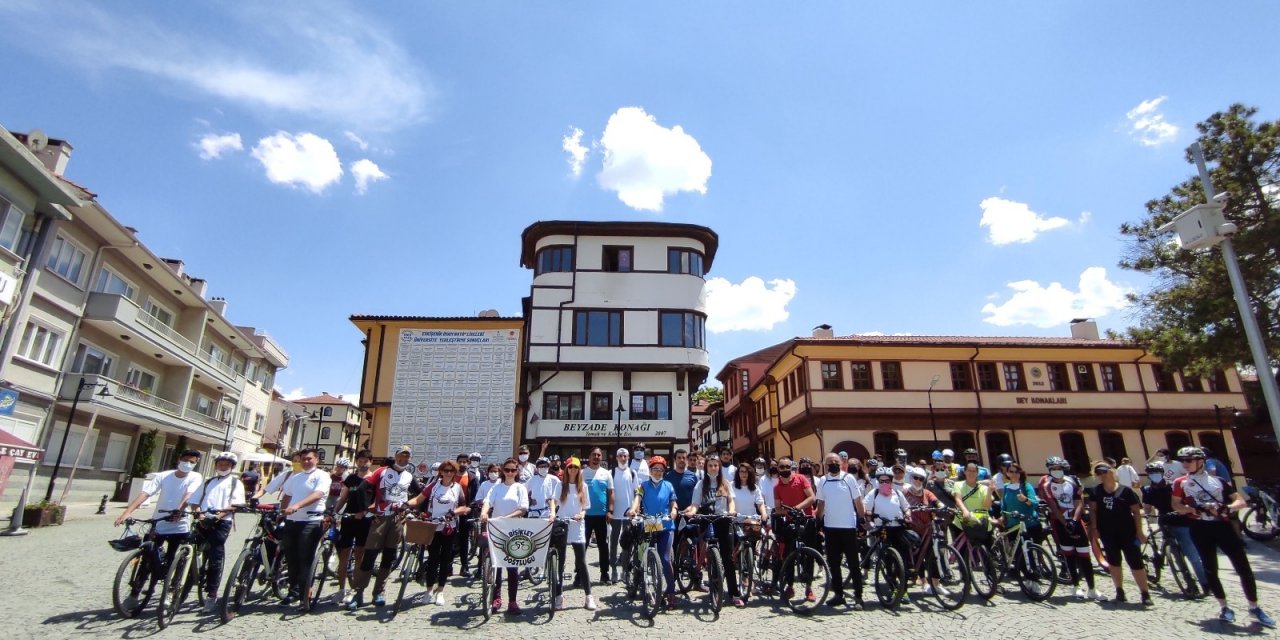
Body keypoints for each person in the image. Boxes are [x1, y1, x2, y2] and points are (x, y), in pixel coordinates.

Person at [1173, 446, 1274, 627]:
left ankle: (1254, 606)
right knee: (1210, 567)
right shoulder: (1180, 482)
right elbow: (1177, 506)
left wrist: (1227, 508)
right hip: (1200, 527)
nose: (1185, 464)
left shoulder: (1217, 481)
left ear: (1200, 461)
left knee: (1243, 567)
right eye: (1183, 461)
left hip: (1222, 526)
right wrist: (1194, 509)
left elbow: (1240, 501)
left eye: (1188, 461)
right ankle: (1224, 606)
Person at [114, 449, 204, 611]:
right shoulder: (164, 475)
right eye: (186, 460)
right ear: (179, 459)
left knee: (173, 560)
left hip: (179, 525)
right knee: (146, 559)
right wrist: (127, 512)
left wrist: (178, 510)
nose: (188, 464)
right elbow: (145, 493)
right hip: (159, 523)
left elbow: (189, 495)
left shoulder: (195, 477)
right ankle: (135, 594)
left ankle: (171, 591)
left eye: (192, 462)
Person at [349, 445, 422, 610]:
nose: (403, 459)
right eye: (401, 456)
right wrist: (366, 509)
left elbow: (420, 494)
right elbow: (362, 488)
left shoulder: (409, 476)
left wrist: (415, 509)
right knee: (369, 555)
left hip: (397, 520)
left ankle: (379, 592)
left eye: (407, 457)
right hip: (380, 518)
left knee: (389, 557)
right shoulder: (381, 471)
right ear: (395, 456)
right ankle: (358, 592)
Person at [1087, 461, 1151, 605]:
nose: (1102, 475)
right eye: (1098, 473)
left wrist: (1140, 531)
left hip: (1128, 531)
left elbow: (1136, 511)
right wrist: (1094, 529)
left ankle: (1145, 593)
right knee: (1114, 562)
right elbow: (1093, 511)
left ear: (1112, 471)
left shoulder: (1126, 491)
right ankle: (1119, 590)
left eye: (1104, 471)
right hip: (1107, 532)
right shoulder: (1096, 491)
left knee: (1135, 562)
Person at [190, 452, 246, 613]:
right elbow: (195, 501)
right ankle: (182, 587)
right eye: (220, 464)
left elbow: (235, 505)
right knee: (192, 555)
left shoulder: (236, 483)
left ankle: (212, 593)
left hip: (221, 522)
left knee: (215, 557)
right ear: (216, 465)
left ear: (232, 467)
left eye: (226, 464)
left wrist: (217, 517)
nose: (223, 466)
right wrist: (199, 514)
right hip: (202, 520)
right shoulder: (208, 482)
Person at [1142, 460, 1207, 595]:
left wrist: (1185, 510)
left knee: (1192, 555)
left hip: (1181, 520)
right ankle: (1189, 582)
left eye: (1157, 473)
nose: (1155, 475)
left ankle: (1206, 584)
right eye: (1152, 473)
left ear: (1162, 473)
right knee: (1176, 555)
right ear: (1148, 475)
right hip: (1165, 521)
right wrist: (1145, 515)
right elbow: (1147, 508)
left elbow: (1183, 502)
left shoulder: (1173, 486)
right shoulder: (1148, 490)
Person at [1039, 456, 1099, 600]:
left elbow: (1079, 502)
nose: (1056, 471)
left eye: (1059, 468)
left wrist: (1074, 520)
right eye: (1053, 469)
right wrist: (1065, 523)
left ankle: (1092, 588)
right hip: (1059, 522)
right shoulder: (1047, 485)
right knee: (1069, 554)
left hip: (1075, 520)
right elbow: (1053, 506)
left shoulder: (1073, 481)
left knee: (1085, 554)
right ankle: (1076, 586)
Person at [688, 457, 742, 607]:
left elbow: (731, 500)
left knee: (728, 558)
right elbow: (695, 503)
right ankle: (710, 578)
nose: (713, 468)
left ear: (719, 468)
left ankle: (734, 593)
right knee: (706, 551)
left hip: (723, 519)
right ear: (706, 468)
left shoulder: (725, 483)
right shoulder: (701, 484)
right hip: (707, 519)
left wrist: (731, 511)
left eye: (715, 466)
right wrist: (692, 512)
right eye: (710, 466)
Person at [279, 448, 329, 608]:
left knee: (305, 558)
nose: (306, 462)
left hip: (311, 520)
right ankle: (293, 591)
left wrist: (297, 505)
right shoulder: (296, 477)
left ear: (316, 460)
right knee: (291, 558)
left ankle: (304, 595)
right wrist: (283, 511)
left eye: (309, 459)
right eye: (303, 459)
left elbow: (317, 495)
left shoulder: (321, 476)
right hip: (292, 521)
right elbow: (287, 495)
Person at [480, 457, 531, 615]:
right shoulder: (497, 487)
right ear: (503, 470)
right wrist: (484, 512)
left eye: (513, 470)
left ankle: (513, 601)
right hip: (496, 527)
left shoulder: (519, 488)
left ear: (517, 472)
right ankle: (496, 598)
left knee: (512, 567)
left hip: (514, 529)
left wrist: (507, 518)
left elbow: (523, 509)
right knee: (496, 566)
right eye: (507, 469)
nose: (510, 472)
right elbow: (488, 502)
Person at [627, 456, 678, 610]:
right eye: (655, 469)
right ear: (650, 470)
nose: (658, 472)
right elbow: (637, 499)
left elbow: (673, 502)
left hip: (666, 524)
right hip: (649, 523)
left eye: (661, 469)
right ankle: (643, 579)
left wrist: (674, 510)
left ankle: (670, 591)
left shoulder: (668, 485)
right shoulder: (643, 485)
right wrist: (633, 509)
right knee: (645, 554)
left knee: (664, 558)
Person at [815, 452, 865, 609]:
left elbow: (857, 500)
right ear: (825, 465)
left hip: (848, 526)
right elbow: (821, 503)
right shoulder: (823, 480)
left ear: (841, 463)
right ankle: (838, 594)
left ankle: (858, 596)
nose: (832, 464)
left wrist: (862, 520)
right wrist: (818, 520)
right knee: (834, 564)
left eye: (835, 461)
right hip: (831, 527)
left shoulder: (848, 478)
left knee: (853, 563)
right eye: (829, 462)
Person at [547, 456, 595, 610]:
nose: (573, 470)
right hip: (562, 523)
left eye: (575, 467)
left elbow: (585, 506)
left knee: (581, 561)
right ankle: (559, 595)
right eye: (570, 467)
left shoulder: (584, 486)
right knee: (560, 560)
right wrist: (553, 513)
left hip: (577, 524)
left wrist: (582, 514)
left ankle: (588, 596)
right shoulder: (561, 485)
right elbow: (553, 501)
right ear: (566, 469)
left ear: (579, 469)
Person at [422, 460, 469, 606]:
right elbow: (419, 498)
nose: (448, 473)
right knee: (432, 559)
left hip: (449, 527)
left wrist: (453, 513)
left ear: (454, 473)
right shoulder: (433, 486)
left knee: (445, 559)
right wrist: (405, 504)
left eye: (451, 471)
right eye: (446, 470)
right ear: (441, 472)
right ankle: (429, 589)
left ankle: (440, 590)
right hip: (433, 526)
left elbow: (464, 507)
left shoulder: (457, 488)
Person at [771, 456, 817, 602]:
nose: (785, 469)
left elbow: (812, 498)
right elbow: (778, 508)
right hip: (791, 523)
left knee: (809, 555)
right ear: (778, 469)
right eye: (782, 467)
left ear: (791, 467)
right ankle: (790, 586)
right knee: (789, 555)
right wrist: (789, 512)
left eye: (787, 466)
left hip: (807, 519)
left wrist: (797, 508)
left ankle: (809, 588)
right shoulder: (777, 487)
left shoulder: (801, 479)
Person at [333, 450, 374, 605]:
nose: (362, 464)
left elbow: (376, 501)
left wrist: (364, 512)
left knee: (359, 556)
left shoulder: (374, 479)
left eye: (365, 461)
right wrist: (334, 512)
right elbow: (344, 497)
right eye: (360, 461)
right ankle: (341, 589)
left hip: (365, 521)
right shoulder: (351, 478)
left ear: (370, 462)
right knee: (343, 555)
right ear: (357, 462)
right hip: (349, 519)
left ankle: (355, 590)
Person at [864, 466, 913, 586]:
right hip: (883, 528)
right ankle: (892, 583)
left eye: (888, 481)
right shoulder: (873, 493)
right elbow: (865, 507)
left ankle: (904, 587)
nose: (885, 483)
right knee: (888, 557)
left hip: (898, 527)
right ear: (878, 481)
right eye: (882, 481)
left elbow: (906, 507)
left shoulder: (897, 493)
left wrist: (907, 515)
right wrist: (869, 514)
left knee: (903, 557)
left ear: (891, 481)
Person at [905, 467, 949, 596]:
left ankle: (936, 583)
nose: (918, 481)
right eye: (915, 478)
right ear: (911, 478)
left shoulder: (927, 493)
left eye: (921, 479)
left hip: (928, 528)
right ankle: (924, 583)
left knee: (933, 555)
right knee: (918, 555)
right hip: (912, 529)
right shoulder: (905, 493)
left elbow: (936, 502)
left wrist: (942, 507)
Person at [581, 447, 614, 585]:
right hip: (585, 515)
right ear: (589, 457)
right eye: (593, 454)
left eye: (598, 455)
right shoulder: (582, 473)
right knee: (582, 546)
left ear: (601, 458)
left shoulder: (606, 474)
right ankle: (579, 574)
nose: (596, 457)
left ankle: (604, 574)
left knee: (603, 546)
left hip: (602, 516)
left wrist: (610, 510)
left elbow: (611, 493)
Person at [609, 448, 639, 583]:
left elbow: (637, 493)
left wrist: (636, 510)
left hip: (628, 514)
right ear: (616, 458)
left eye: (625, 456)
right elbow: (609, 493)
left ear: (628, 457)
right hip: (615, 514)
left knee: (627, 544)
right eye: (620, 456)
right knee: (613, 543)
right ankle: (614, 569)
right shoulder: (611, 473)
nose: (623, 458)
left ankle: (625, 570)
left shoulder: (633, 473)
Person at [953, 462, 993, 556]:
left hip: (981, 522)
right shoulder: (958, 485)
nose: (971, 473)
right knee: (963, 553)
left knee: (987, 554)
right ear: (965, 472)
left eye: (974, 471)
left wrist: (990, 492)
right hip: (963, 521)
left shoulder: (983, 488)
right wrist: (965, 510)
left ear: (977, 473)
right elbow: (958, 499)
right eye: (969, 470)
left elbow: (986, 506)